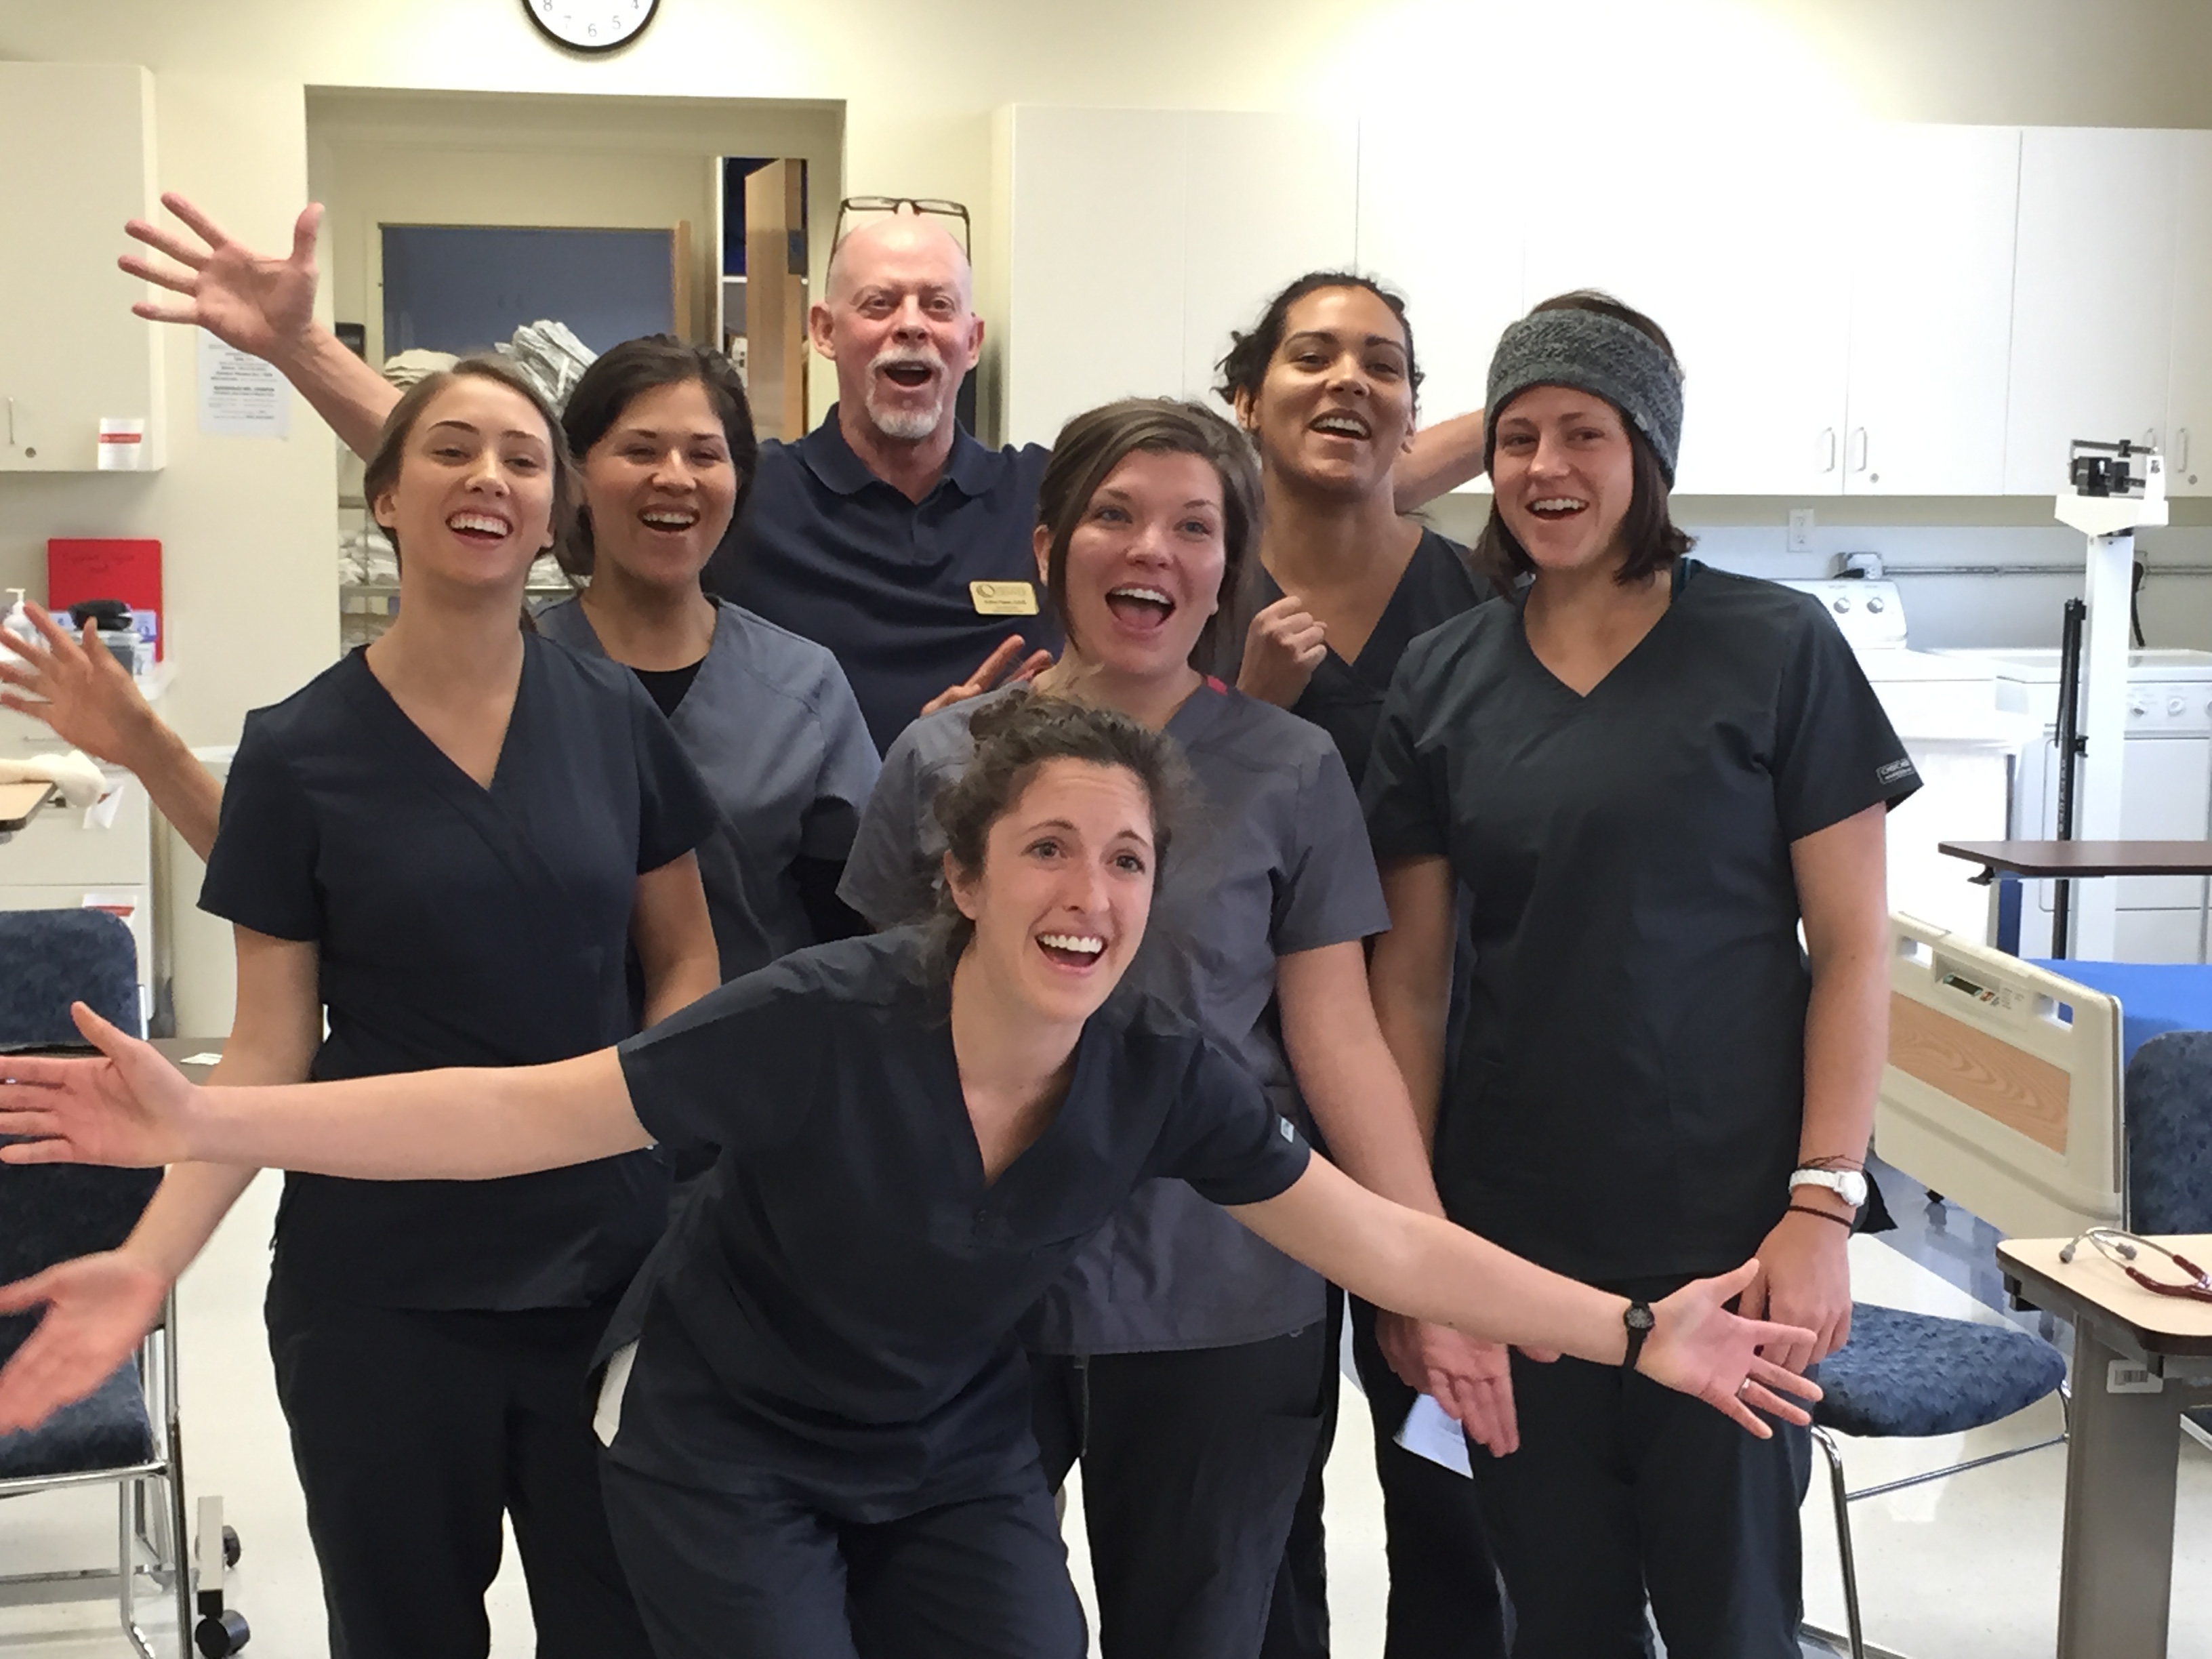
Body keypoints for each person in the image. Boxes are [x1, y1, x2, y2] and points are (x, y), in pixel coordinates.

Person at [0, 695, 1825, 1659]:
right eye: (1047, 848)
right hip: (724, 1443)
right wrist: (208, 1121)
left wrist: (1640, 1328)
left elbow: (1375, 1237)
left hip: (945, 1452)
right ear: (961, 876)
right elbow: (519, 1113)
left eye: (1125, 860)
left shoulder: (1158, 1081)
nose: (1091, 894)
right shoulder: (819, 1023)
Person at [0, 358, 724, 1659]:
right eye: (449, 450)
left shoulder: (614, 715)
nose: (487, 478)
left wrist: (643, 1123)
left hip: (606, 1275)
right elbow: (273, 1042)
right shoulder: (298, 749)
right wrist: (149, 1262)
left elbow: (684, 963)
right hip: (380, 1294)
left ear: (555, 509)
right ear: (385, 495)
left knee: (625, 1627)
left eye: (520, 456)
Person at [841, 398, 1490, 1659]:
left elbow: (1338, 1039)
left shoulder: (1291, 770)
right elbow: (878, 1026)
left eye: (1194, 527)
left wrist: (1422, 1268)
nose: (1153, 551)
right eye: (1115, 517)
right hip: (976, 1297)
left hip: (1223, 1294)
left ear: (1229, 572)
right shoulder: (941, 759)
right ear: (1047, 548)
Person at [115, 194, 1491, 751]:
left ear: (972, 338)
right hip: (798, 929)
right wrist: (300, 351)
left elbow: (1269, 493)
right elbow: (500, 485)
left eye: (937, 307)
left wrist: (1512, 423)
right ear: (825, 333)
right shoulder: (742, 493)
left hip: (1025, 920)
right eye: (877, 306)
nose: (910, 329)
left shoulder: (1052, 502)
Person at [1362, 291, 1912, 1659]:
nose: (1547, 469)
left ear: (1648, 453)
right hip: (1512, 1241)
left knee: (1732, 1620)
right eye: (1521, 435)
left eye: (1585, 434)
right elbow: (1410, 991)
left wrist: (1821, 1209)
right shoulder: (1441, 679)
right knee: (1555, 1618)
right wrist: (1417, 1257)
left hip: (1733, 1237)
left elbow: (1851, 954)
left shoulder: (1776, 650)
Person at [0, 332, 880, 983]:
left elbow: (862, 918)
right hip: (506, 1083)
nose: (676, 478)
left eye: (706, 455)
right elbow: (285, 865)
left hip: (735, 1105)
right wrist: (147, 749)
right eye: (640, 450)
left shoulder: (800, 686)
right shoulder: (498, 673)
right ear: (571, 484)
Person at [1211, 272, 1502, 1659]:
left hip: (1440, 1073)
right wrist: (1244, 706)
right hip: (1248, 1086)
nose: (1347, 384)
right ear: (1243, 396)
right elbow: (1148, 818)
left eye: (1381, 365)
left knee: (1451, 1456)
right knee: (1257, 1485)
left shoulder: (1476, 587)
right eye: (1311, 358)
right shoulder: (1193, 570)